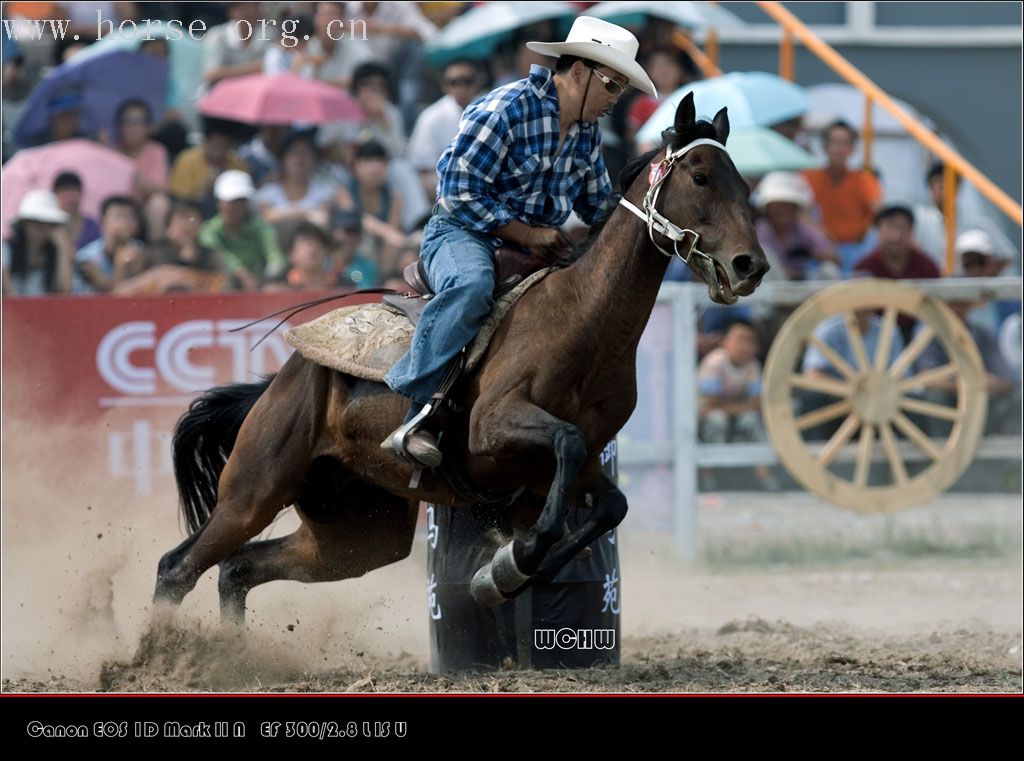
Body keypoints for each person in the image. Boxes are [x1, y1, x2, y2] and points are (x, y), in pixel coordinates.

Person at [379, 16, 657, 467]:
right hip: (462, 234)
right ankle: (417, 412)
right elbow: (457, 191)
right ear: (581, 72)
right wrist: (528, 234)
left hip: (536, 247)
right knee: (471, 285)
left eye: (620, 89)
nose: (615, 100)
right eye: (611, 85)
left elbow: (597, 207)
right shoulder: (505, 107)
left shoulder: (586, 133)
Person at [697, 320, 778, 491]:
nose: (745, 346)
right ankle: (707, 475)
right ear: (725, 342)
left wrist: (735, 408)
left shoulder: (753, 366)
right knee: (716, 420)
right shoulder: (714, 363)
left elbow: (757, 403)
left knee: (751, 420)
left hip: (734, 413)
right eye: (740, 340)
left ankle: (763, 475)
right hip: (705, 417)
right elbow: (710, 403)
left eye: (751, 341)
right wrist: (742, 406)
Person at [803, 120, 883, 274]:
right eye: (834, 142)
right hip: (822, 251)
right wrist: (820, 236)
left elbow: (878, 210)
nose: (839, 148)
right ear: (825, 146)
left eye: (845, 143)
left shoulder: (864, 180)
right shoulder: (809, 177)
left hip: (858, 249)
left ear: (852, 149)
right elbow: (801, 213)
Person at [853, 204, 942, 343]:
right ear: (878, 231)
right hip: (876, 336)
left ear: (912, 232)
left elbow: (938, 306)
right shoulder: (865, 266)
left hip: (918, 333)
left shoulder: (927, 267)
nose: (896, 235)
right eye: (889, 227)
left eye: (902, 228)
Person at [913, 162, 1020, 272]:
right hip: (930, 286)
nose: (941, 191)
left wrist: (983, 279)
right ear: (930, 190)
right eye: (936, 186)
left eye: (947, 185)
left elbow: (1007, 254)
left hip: (967, 286)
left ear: (957, 188)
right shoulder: (919, 222)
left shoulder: (978, 221)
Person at [407, 58, 484, 203]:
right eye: (453, 82)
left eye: (466, 81)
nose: (461, 87)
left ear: (476, 83)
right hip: (445, 183)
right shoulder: (430, 117)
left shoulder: (490, 109)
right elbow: (423, 167)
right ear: (445, 86)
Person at [200, 170, 286, 290]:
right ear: (219, 202)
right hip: (223, 289)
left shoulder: (259, 227)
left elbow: (274, 255)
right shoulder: (209, 231)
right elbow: (220, 257)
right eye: (232, 201)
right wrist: (243, 275)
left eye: (241, 200)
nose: (237, 206)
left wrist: (269, 276)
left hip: (260, 287)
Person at [334, 139, 408, 273]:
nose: (374, 167)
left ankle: (383, 280)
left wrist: (388, 235)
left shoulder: (394, 197)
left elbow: (394, 231)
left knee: (394, 244)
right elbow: (355, 218)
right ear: (355, 166)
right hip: (354, 242)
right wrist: (385, 232)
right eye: (367, 161)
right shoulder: (345, 191)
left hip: (381, 249)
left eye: (379, 161)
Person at [753, 171, 841, 281]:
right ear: (767, 208)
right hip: (773, 290)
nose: (784, 211)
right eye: (778, 205)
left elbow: (834, 257)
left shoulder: (800, 228)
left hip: (800, 287)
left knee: (830, 270)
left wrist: (809, 253)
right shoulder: (762, 230)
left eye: (789, 206)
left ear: (796, 209)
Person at [110, 98, 171, 242]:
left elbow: (161, 190)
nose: (133, 127)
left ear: (148, 127)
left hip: (143, 210)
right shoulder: (111, 151)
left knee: (159, 203)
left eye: (138, 121)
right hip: (116, 208)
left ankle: (157, 249)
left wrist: (130, 169)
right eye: (127, 121)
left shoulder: (157, 151)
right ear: (119, 126)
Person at [252, 132, 335, 227]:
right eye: (294, 152)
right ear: (283, 158)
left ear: (314, 159)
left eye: (305, 152)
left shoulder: (324, 192)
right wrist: (305, 214)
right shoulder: (267, 192)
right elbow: (266, 218)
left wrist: (284, 213)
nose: (300, 158)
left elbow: (323, 219)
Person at [2, 190, 74, 295]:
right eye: (36, 222)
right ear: (24, 224)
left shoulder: (54, 253)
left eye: (49, 223)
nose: (43, 228)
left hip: (44, 310)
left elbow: (65, 290)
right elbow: (8, 293)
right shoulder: (6, 250)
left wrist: (61, 247)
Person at [72, 195, 147, 294]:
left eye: (129, 217)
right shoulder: (87, 257)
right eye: (118, 216)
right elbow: (115, 292)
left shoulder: (139, 250)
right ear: (103, 223)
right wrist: (122, 263)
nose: (124, 222)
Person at [169, 120, 248, 211]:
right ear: (205, 141)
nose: (219, 151)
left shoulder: (237, 163)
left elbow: (245, 196)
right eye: (216, 145)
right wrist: (205, 190)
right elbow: (179, 199)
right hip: (195, 213)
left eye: (224, 146)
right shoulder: (187, 160)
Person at [52, 171, 102, 251]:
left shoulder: (94, 227)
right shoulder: (48, 226)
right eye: (65, 192)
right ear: (54, 194)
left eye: (74, 191)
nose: (71, 198)